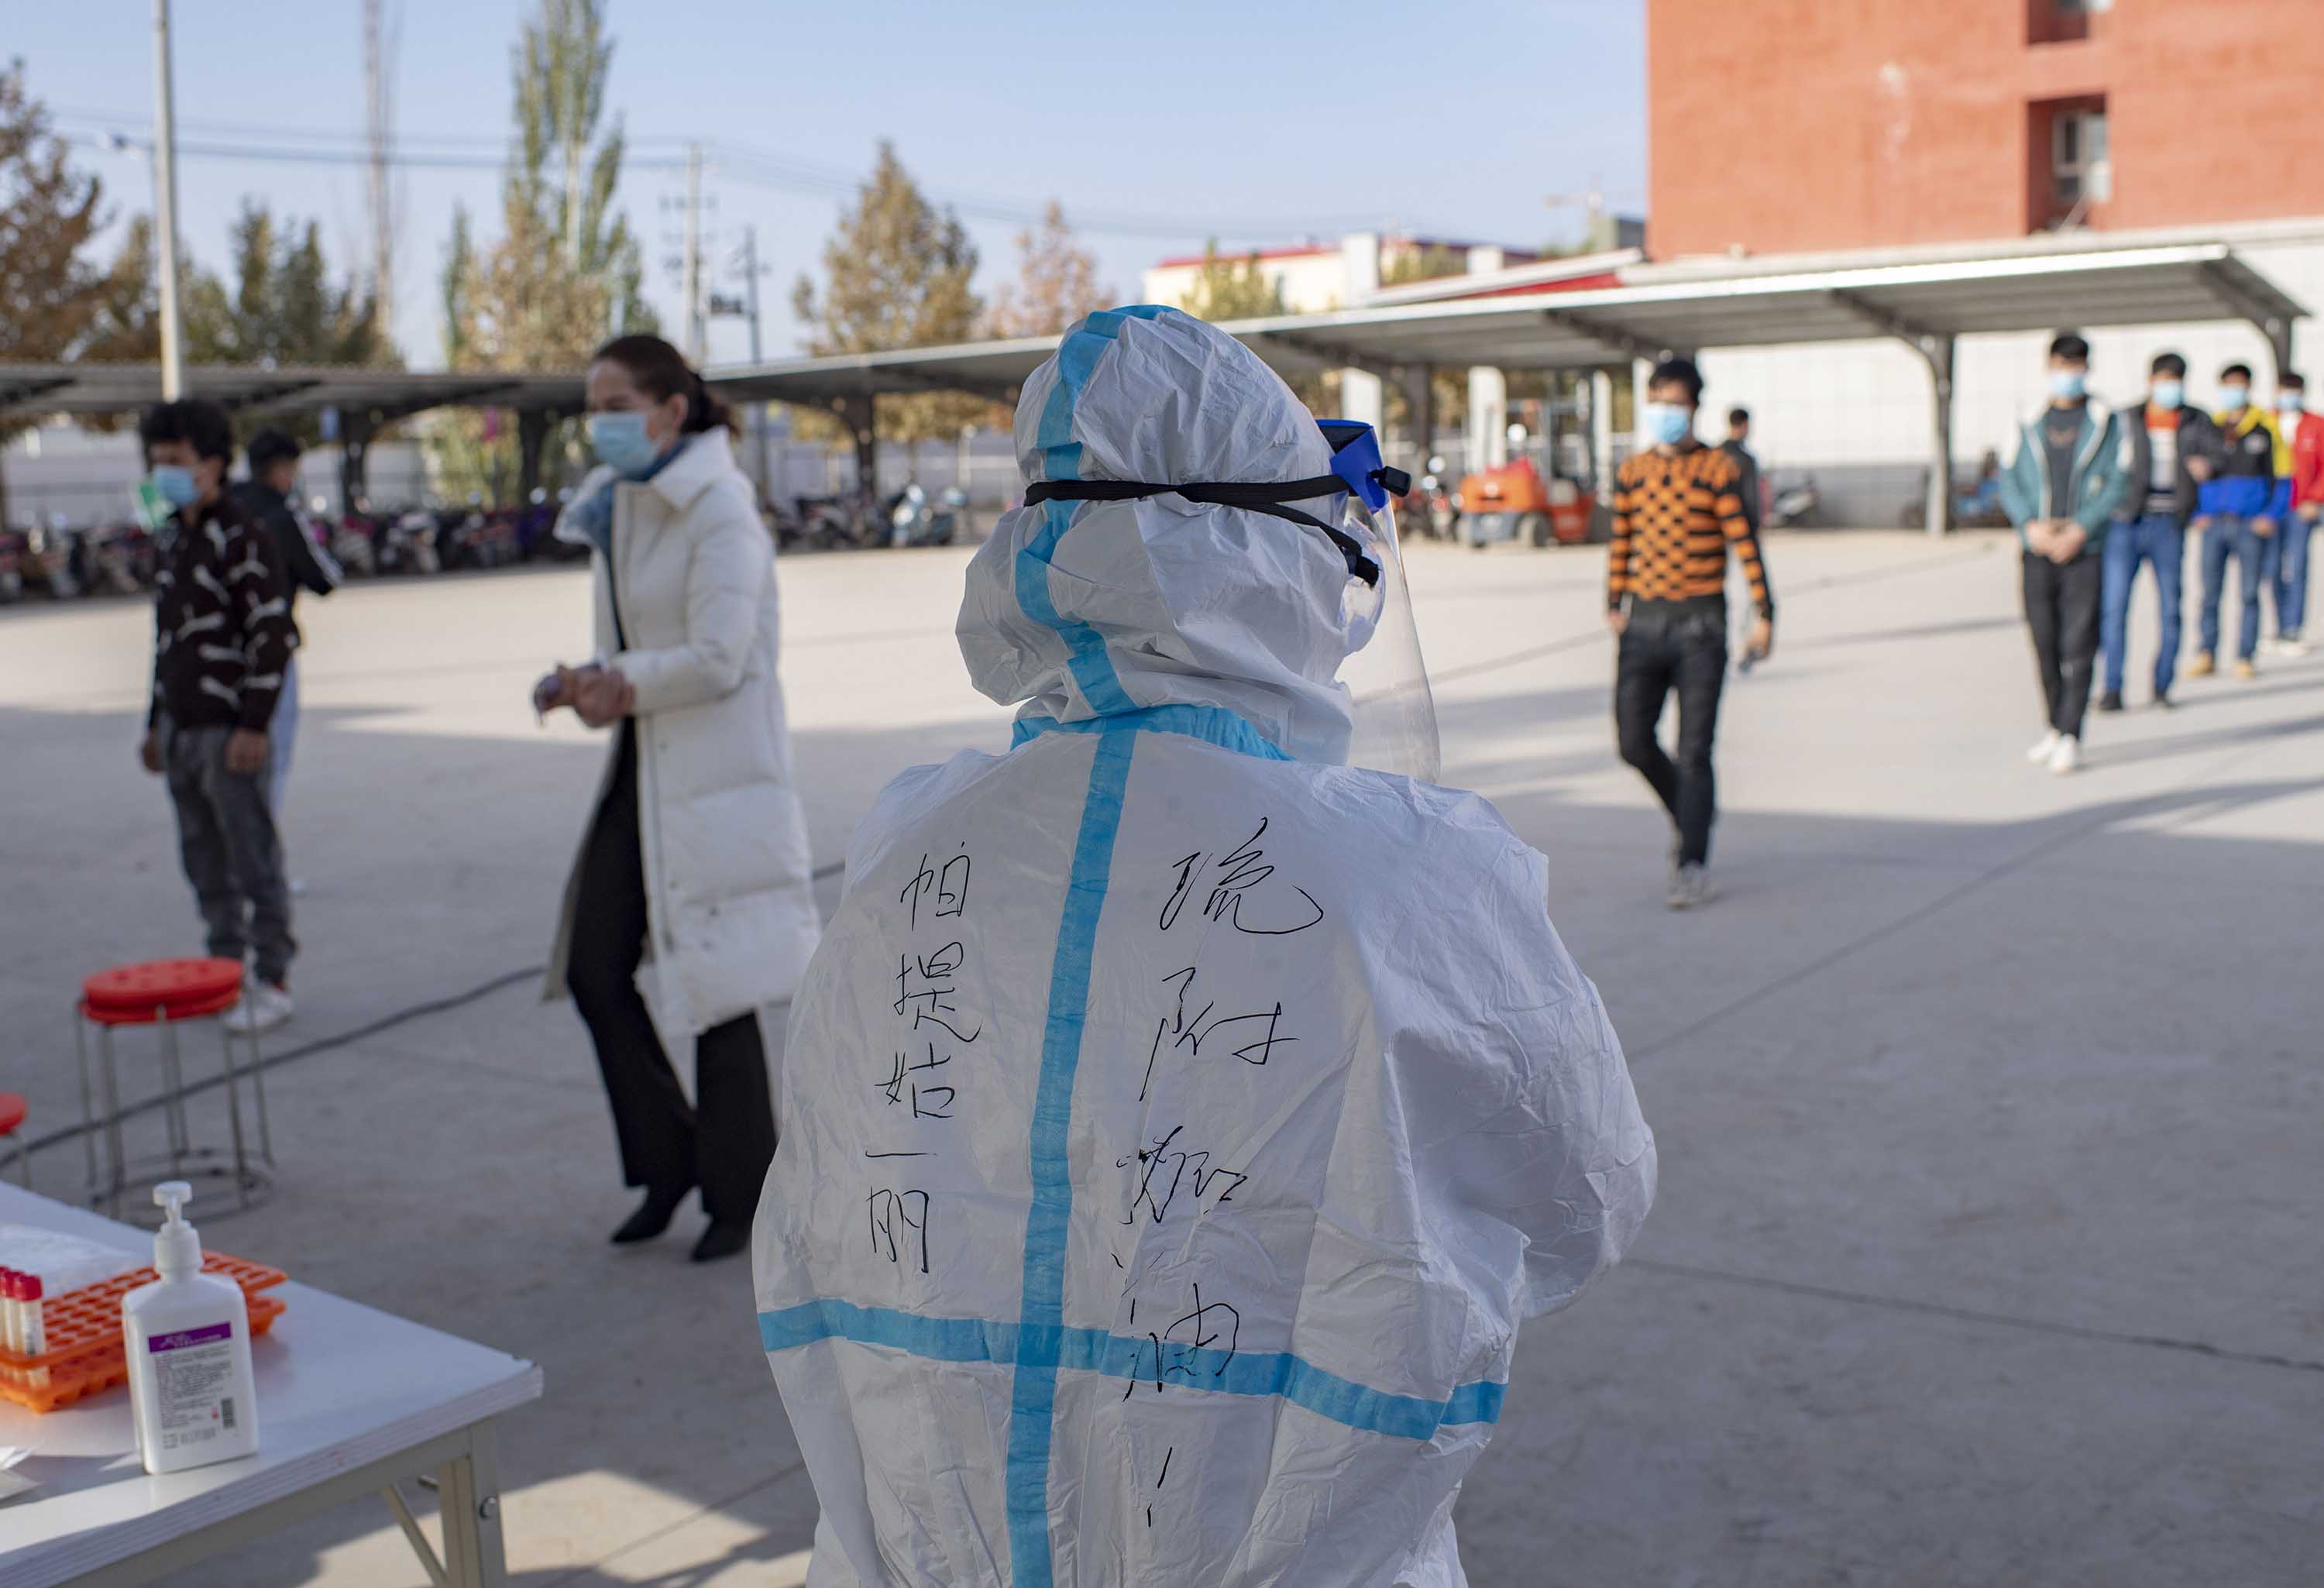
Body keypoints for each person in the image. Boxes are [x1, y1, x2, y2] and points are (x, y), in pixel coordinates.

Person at [751, 306, 1653, 1588]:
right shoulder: (1418, 871)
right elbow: (1589, 1195)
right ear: (1280, 561)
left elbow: (817, 1215)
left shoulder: (904, 848)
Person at [537, 333, 821, 1264]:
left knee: (722, 979)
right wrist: (591, 685)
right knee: (595, 967)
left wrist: (618, 677)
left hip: (714, 770)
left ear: (668, 409)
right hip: (644, 761)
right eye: (592, 404)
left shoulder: (718, 510)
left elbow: (720, 656)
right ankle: (670, 1159)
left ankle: (741, 1194)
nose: (600, 422)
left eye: (616, 402)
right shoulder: (620, 508)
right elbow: (637, 652)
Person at [136, 399, 299, 1034]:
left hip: (230, 730)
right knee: (203, 858)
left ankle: (274, 975)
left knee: (252, 855)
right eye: (157, 464)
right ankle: (223, 971)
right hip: (181, 729)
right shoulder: (173, 537)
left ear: (212, 463)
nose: (165, 476)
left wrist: (254, 724)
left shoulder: (245, 537)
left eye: (174, 463)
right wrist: (154, 722)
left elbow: (271, 636)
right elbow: (165, 639)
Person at [1606, 356, 1775, 908]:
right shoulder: (1633, 472)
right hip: (1644, 623)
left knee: (1695, 746)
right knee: (1633, 741)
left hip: (1701, 626)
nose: (1664, 413)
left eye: (1674, 403)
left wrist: (1764, 611)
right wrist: (1613, 600)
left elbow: (1744, 543)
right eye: (1657, 402)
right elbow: (1622, 540)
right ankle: (1691, 808)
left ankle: (1692, 860)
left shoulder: (1717, 471)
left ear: (1695, 408)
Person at [1998, 332, 2126, 774]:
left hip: (2082, 548)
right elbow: (2008, 479)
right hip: (2037, 546)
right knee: (2045, 641)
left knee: (2079, 643)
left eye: (2075, 366)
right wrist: (2027, 526)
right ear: (2048, 366)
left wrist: (2081, 528)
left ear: (2086, 368)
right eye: (2060, 366)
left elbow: (2116, 483)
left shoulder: (2106, 420)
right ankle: (2054, 725)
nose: (2067, 374)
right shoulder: (2027, 418)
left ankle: (2072, 732)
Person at [2097, 353, 2218, 713]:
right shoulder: (2126, 419)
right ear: (2150, 381)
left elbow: (2222, 457)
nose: (2169, 388)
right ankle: (2112, 686)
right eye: (2163, 380)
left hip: (2170, 524)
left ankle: (2163, 683)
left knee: (2169, 607)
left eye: (2175, 381)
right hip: (2127, 522)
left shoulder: (2196, 420)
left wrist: (2207, 467)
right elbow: (2103, 464)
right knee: (2115, 607)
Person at [234, 428, 341, 814]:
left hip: (221, 654)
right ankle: (264, 866)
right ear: (281, 470)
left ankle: (236, 863)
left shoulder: (223, 507)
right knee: (271, 757)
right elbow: (325, 579)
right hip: (271, 650)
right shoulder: (282, 514)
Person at [2189, 362, 2280, 680]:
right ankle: (2206, 652)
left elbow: (2282, 477)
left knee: (2249, 593)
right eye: (2228, 385)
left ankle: (2245, 654)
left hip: (2249, 524)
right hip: (2214, 523)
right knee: (2210, 593)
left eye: (2238, 385)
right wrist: (2199, 512)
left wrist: (2270, 514)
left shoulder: (2265, 428)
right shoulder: (2210, 427)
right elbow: (2198, 476)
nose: (2233, 392)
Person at [2265, 371, 2319, 656]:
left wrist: (2314, 499)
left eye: (2294, 390)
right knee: (2272, 568)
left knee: (2296, 568)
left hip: (2301, 508)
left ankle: (2293, 628)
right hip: (2273, 507)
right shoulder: (2265, 421)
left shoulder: (2316, 425)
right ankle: (2278, 625)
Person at [1720, 404, 1763, 533]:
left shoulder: (1715, 455)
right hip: (1743, 524)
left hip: (1719, 522)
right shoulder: (1746, 459)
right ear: (1745, 425)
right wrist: (1755, 524)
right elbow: (1751, 495)